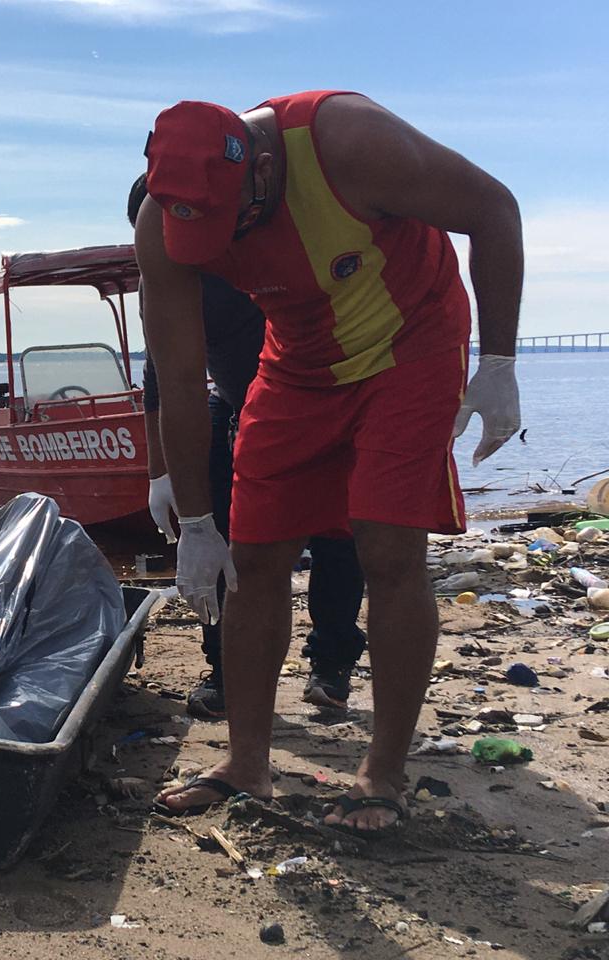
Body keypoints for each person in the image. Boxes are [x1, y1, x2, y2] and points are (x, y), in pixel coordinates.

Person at [136, 91, 522, 833]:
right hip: (298, 361)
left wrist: (499, 361)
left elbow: (495, 209)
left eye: (229, 225)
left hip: (411, 344)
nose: (217, 245)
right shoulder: (163, 221)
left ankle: (383, 774)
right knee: (252, 555)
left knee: (387, 547)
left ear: (261, 170)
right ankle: (246, 763)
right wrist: (196, 521)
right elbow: (178, 380)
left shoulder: (348, 142)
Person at [128, 175, 367, 718]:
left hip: (315, 403)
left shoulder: (256, 250)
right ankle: (226, 672)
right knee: (217, 540)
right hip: (234, 404)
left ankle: (332, 664)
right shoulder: (160, 280)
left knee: (337, 535)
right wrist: (160, 475)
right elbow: (162, 379)